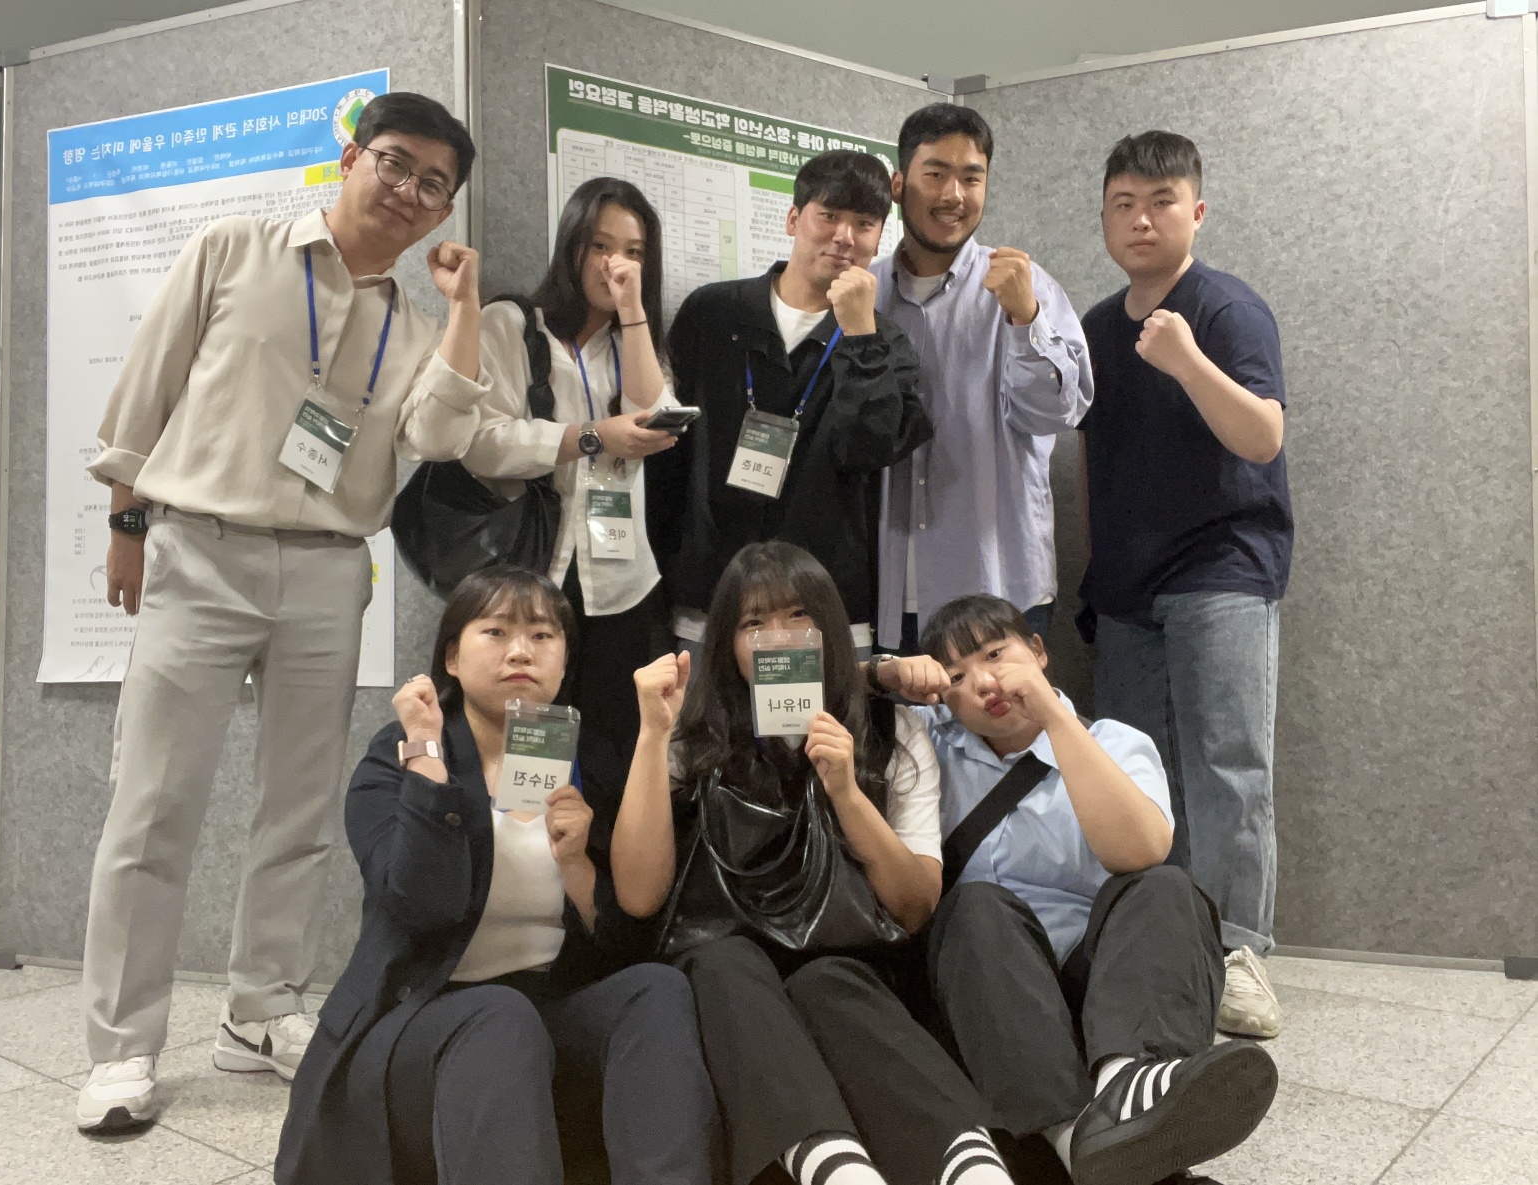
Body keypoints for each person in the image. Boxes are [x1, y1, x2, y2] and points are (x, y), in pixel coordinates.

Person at [76, 93, 493, 1132]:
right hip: (199, 550)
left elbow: (440, 435)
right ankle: (123, 1048)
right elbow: (146, 388)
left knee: (299, 810)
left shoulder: (415, 324)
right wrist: (126, 521)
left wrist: (464, 310)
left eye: (433, 183)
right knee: (153, 805)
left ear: (444, 211)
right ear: (349, 158)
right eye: (393, 162)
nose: (407, 191)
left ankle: (259, 1011)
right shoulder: (234, 248)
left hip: (327, 570)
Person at [275, 566, 715, 1185]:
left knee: (655, 990)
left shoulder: (585, 759)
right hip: (416, 1020)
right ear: (452, 657)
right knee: (499, 1014)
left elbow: (630, 925)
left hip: (543, 1015)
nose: (520, 651)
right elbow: (418, 903)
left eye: (542, 635)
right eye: (497, 631)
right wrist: (427, 754)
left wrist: (576, 865)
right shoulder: (399, 754)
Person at [613, 542, 1019, 1185]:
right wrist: (650, 737)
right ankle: (840, 1172)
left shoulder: (892, 730)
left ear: (829, 627)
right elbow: (638, 896)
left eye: (799, 615)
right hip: (727, 956)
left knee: (829, 981)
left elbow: (915, 906)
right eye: (753, 623)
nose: (779, 637)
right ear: (728, 643)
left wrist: (847, 793)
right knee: (725, 962)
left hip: (849, 956)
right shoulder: (695, 732)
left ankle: (972, 1168)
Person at [872, 594, 1278, 1185]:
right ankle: (1082, 1136)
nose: (984, 682)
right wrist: (882, 673)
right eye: (956, 676)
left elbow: (1139, 851)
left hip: (1107, 990)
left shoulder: (1114, 741)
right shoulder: (930, 741)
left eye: (996, 654)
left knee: (1166, 888)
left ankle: (1127, 1083)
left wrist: (1054, 720)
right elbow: (824, 698)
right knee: (976, 905)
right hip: (989, 990)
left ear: (1039, 651)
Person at [1078, 131, 1292, 1038]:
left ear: (1195, 212)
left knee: (1227, 766)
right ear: (1103, 217)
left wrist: (1185, 359)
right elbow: (1090, 466)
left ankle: (1237, 953)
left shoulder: (1227, 309)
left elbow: (1262, 436)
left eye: (1161, 201)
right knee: (1134, 773)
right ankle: (1161, 947)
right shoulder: (1094, 327)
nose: (1141, 219)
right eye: (1123, 203)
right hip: (1127, 586)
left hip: (1222, 571)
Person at [664, 151, 932, 661]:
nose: (844, 236)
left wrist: (860, 336)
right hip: (712, 601)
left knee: (828, 720)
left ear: (880, 239)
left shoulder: (886, 342)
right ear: (793, 219)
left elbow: (867, 449)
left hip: (826, 608)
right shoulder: (714, 312)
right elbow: (670, 452)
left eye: (864, 224)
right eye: (828, 215)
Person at [462, 176, 678, 759]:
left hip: (622, 582)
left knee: (614, 750)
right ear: (572, 246)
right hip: (532, 571)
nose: (616, 264)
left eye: (634, 252)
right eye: (601, 246)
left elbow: (653, 415)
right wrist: (590, 436)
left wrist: (633, 311)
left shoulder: (635, 343)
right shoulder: (512, 326)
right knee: (524, 748)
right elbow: (481, 442)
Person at [872, 104, 1092, 654]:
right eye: (935, 174)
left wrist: (1025, 318)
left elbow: (1057, 413)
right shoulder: (864, 292)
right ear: (898, 185)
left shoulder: (1024, 285)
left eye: (972, 178)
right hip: (883, 590)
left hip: (998, 584)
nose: (954, 195)